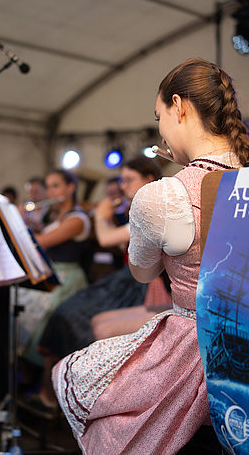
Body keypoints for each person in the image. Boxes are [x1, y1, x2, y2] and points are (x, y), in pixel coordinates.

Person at [53, 58, 249, 454]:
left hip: (196, 349)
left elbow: (142, 272)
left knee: (76, 374)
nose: (161, 130)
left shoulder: (163, 195)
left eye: (159, 117)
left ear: (179, 106)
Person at [30, 157, 162, 411]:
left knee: (76, 319)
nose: (123, 186)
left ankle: (77, 396)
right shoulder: (137, 209)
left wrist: (101, 217)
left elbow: (105, 239)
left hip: (143, 285)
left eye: (129, 180)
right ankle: (57, 389)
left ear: (149, 180)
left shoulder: (153, 209)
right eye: (122, 180)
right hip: (128, 279)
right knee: (68, 314)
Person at [18, 170, 90, 376]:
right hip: (50, 272)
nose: (50, 192)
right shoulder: (54, 216)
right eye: (48, 186)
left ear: (71, 188)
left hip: (66, 278)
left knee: (39, 316)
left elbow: (41, 242)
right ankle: (25, 371)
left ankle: (40, 376)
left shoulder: (78, 219)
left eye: (56, 186)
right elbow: (45, 232)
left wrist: (16, 221)